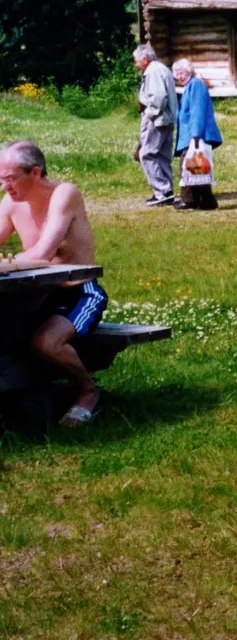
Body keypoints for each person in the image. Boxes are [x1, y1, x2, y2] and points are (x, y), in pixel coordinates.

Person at [0, 141, 107, 426]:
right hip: (34, 296)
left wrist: (11, 261)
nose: (6, 187)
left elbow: (43, 253)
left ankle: (88, 391)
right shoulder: (11, 202)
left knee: (45, 342)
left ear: (35, 173)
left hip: (79, 292)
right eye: (1, 180)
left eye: (10, 179)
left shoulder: (64, 194)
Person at [172, 58, 223, 210]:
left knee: (187, 165)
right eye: (177, 75)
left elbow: (197, 112)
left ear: (189, 71)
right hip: (190, 135)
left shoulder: (196, 85)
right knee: (198, 167)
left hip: (194, 135)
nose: (179, 77)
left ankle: (189, 200)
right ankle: (205, 201)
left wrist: (195, 136)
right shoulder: (191, 86)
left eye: (181, 73)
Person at [134, 43, 178, 206]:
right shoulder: (161, 69)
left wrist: (149, 113)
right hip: (167, 118)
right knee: (162, 155)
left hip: (157, 119)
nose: (136, 64)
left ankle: (162, 191)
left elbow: (158, 97)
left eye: (137, 60)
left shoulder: (153, 71)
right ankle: (166, 191)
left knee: (147, 153)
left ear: (145, 59)